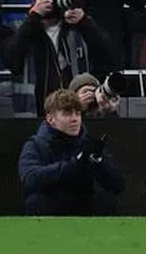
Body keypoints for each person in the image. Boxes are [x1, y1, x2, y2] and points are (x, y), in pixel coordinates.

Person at [18, 88, 125, 216]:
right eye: (67, 113)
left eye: (78, 113)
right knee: (35, 202)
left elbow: (118, 185)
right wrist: (75, 165)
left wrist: (98, 163)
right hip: (52, 204)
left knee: (106, 201)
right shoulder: (35, 145)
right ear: (51, 119)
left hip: (84, 203)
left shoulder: (88, 144)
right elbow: (30, 180)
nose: (75, 119)